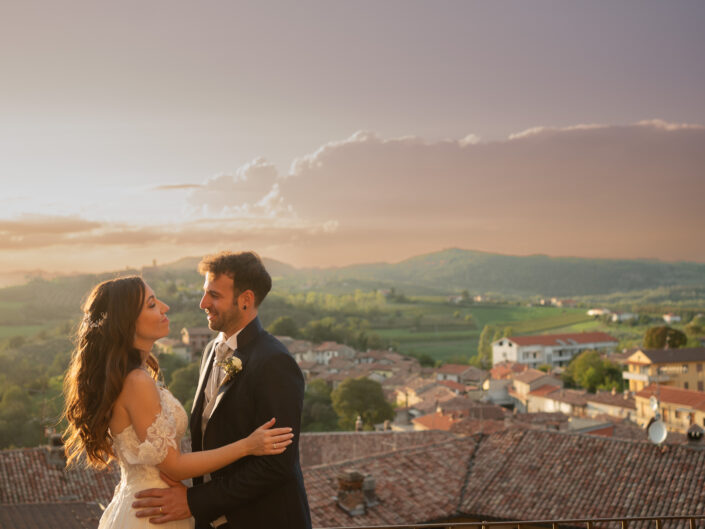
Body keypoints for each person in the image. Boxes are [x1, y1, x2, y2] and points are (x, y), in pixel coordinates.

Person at [62, 275, 294, 529]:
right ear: (126, 323)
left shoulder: (130, 376)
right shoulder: (137, 382)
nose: (164, 307)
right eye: (151, 304)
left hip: (153, 503)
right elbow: (175, 466)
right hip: (154, 513)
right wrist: (248, 446)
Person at [133, 251, 312, 529]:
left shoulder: (275, 362)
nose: (203, 303)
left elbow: (277, 465)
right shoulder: (210, 350)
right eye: (205, 293)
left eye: (214, 295)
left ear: (246, 300)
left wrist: (194, 501)